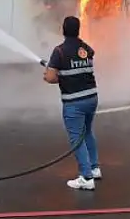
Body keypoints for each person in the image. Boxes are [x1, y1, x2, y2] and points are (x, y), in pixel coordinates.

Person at [43, 15, 101, 190]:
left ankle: (86, 177)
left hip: (74, 102)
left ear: (63, 30)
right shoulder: (87, 48)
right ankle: (94, 167)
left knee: (77, 138)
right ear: (78, 30)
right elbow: (78, 66)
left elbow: (51, 77)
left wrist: (50, 75)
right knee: (88, 132)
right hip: (92, 98)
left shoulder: (59, 51)